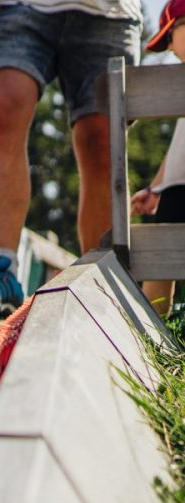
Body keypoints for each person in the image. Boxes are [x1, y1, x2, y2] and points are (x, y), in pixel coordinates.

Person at [0, 0, 142, 319]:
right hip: (16, 7)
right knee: (2, 109)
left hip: (108, 12)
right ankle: (2, 268)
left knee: (102, 142)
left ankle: (102, 286)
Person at [128, 0, 185, 316]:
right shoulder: (179, 89)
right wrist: (156, 188)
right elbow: (179, 150)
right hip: (177, 188)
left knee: (162, 264)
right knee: (160, 268)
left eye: (171, 39)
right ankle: (153, 341)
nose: (172, 52)